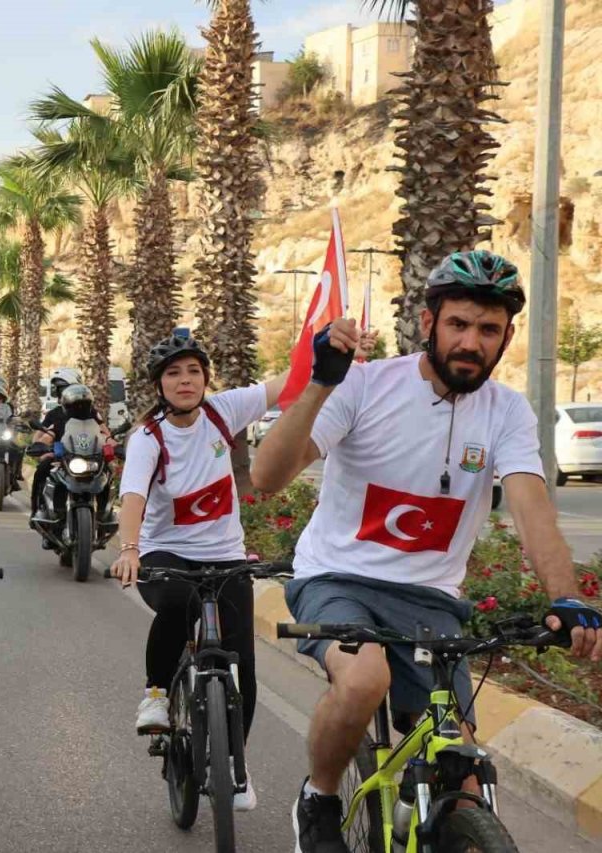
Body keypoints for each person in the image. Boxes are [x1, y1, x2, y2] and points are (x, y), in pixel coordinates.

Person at [250, 250, 602, 853]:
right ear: (428, 322)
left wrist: (566, 597)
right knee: (362, 679)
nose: (471, 341)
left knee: (460, 770)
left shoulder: (507, 411)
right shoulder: (365, 384)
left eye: (488, 330)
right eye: (459, 324)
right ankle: (321, 797)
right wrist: (321, 383)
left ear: (506, 337)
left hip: (430, 599)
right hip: (339, 576)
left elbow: (531, 507)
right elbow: (267, 476)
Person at [111, 327, 288, 812]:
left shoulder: (223, 412)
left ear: (205, 379)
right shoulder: (149, 438)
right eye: (174, 373)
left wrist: (332, 356)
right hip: (165, 554)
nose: (185, 380)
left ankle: (234, 765)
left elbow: (285, 386)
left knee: (241, 662)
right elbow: (134, 497)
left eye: (193, 371)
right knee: (176, 603)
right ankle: (156, 693)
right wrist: (130, 548)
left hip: (226, 555)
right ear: (160, 385)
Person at [29, 381, 114, 529]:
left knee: (109, 470)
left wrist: (116, 446)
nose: (79, 407)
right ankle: (37, 509)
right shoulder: (55, 414)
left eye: (83, 404)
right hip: (62, 457)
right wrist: (42, 448)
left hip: (91, 457)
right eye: (76, 403)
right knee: (42, 469)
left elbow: (104, 433)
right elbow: (47, 434)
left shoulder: (93, 415)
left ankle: (105, 513)